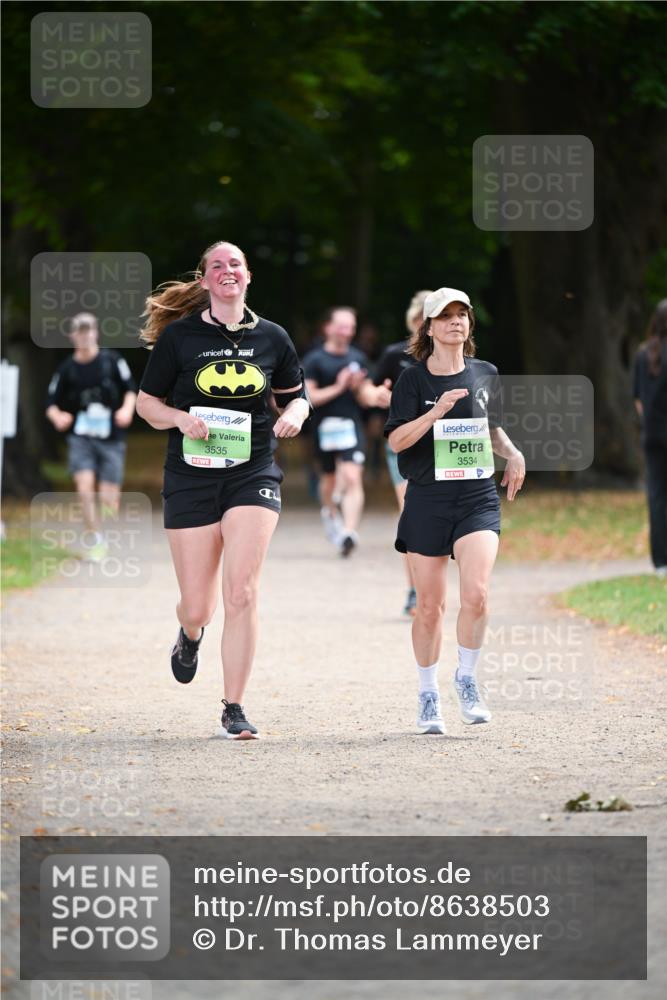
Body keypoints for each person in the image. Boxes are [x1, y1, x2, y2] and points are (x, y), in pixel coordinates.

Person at [136, 241, 309, 740]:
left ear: (248, 276)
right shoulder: (180, 338)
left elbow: (295, 399)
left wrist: (295, 415)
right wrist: (179, 418)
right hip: (190, 475)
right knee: (198, 605)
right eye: (217, 266)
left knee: (243, 591)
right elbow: (147, 404)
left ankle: (234, 706)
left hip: (251, 472)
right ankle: (190, 636)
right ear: (206, 280)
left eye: (235, 264)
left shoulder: (273, 338)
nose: (227, 271)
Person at [384, 287, 525, 735]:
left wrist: (513, 453)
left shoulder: (486, 372)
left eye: (462, 314)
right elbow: (395, 441)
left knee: (477, 595)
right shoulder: (413, 380)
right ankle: (428, 693)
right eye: (445, 316)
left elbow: (493, 427)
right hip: (427, 498)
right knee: (429, 607)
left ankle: (466, 679)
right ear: (429, 327)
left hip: (476, 498)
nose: (455, 322)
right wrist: (435, 413)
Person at [45, 312, 137, 561]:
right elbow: (51, 403)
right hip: (81, 437)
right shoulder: (66, 369)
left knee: (109, 499)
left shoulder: (112, 360)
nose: (84, 335)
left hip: (111, 437)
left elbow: (130, 391)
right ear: (72, 335)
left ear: (95, 332)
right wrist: (57, 417)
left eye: (88, 330)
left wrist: (127, 410)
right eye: (79, 331)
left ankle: (104, 533)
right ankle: (96, 538)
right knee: (84, 488)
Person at [303, 307, 391, 556]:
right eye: (342, 326)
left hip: (351, 427)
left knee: (352, 475)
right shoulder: (314, 360)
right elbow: (309, 397)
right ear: (328, 328)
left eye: (351, 327)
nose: (347, 332)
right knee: (329, 479)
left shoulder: (358, 358)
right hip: (324, 428)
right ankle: (330, 512)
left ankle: (349, 532)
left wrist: (373, 394)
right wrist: (339, 386)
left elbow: (365, 396)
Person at [375, 290, 432, 616]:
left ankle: (432, 586)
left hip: (443, 447)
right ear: (413, 321)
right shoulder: (394, 355)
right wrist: (376, 395)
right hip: (404, 446)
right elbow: (368, 388)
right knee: (413, 513)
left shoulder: (451, 357)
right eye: (423, 319)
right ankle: (415, 591)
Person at [633, 298, 667, 576]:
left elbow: (638, 400)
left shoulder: (643, 354)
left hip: (652, 436)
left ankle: (660, 562)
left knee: (657, 498)